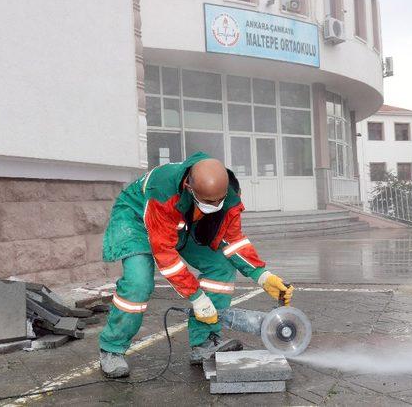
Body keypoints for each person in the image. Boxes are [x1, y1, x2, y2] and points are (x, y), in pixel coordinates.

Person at [98, 152, 294, 378]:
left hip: (181, 222)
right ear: (188, 187)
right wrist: (197, 298)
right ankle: (112, 348)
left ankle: (204, 341)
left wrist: (262, 275)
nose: (216, 206)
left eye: (218, 201)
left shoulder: (226, 195)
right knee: (138, 283)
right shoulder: (163, 191)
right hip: (136, 221)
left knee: (220, 265)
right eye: (209, 202)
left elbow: (233, 241)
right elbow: (166, 256)